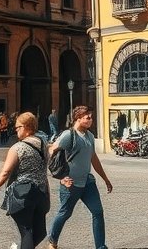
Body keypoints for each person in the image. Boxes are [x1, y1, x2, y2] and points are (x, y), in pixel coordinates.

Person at [47, 105, 112, 249]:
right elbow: (51, 152)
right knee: (65, 213)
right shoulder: (68, 135)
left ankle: (100, 247)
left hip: (88, 183)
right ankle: (52, 241)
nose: (91, 120)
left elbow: (93, 159)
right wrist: (61, 178)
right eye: (87, 117)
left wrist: (105, 179)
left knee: (98, 212)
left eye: (91, 117)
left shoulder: (89, 136)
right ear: (78, 118)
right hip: (71, 184)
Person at [0, 112, 50, 249]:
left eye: (17, 127)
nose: (16, 130)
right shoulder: (43, 144)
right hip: (41, 192)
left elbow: (5, 172)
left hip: (23, 194)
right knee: (39, 232)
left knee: (26, 232)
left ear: (26, 127)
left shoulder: (18, 148)